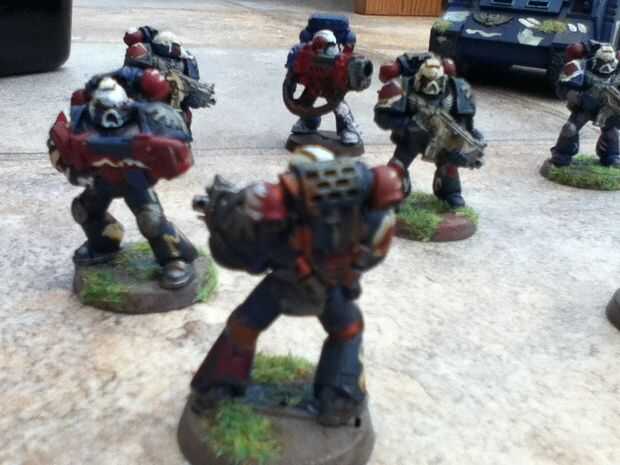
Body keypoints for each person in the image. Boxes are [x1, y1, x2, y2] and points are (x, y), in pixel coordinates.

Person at [190, 146, 403, 426]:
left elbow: (253, 258)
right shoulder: (358, 212)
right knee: (345, 329)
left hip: (301, 284)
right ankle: (338, 398)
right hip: (311, 283)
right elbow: (376, 247)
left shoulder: (286, 209)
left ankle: (218, 388)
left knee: (246, 325)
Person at [48, 77, 198, 289]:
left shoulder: (143, 122)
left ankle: (175, 258)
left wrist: (154, 158)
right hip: (100, 179)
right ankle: (104, 244)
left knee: (151, 220)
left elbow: (176, 151)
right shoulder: (83, 123)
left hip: (133, 179)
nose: (110, 118)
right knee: (83, 210)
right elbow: (63, 148)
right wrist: (73, 167)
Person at [375, 52, 484, 207]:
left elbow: (465, 122)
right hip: (411, 139)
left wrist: (465, 145)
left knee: (449, 167)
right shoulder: (403, 86)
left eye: (436, 82)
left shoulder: (456, 89)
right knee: (396, 167)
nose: (431, 86)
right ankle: (397, 191)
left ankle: (450, 192)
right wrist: (408, 125)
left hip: (443, 139)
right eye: (426, 81)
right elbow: (383, 117)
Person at [551, 42, 620, 167]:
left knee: (612, 133)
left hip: (608, 109)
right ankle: (562, 155)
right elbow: (564, 89)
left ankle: (611, 156)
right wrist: (576, 97)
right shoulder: (581, 67)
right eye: (602, 62)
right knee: (570, 128)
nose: (606, 67)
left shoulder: (618, 72)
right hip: (585, 107)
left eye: (609, 63)